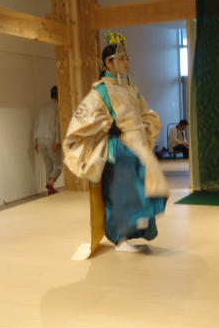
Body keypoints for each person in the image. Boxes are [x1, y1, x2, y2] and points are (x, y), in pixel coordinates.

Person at [63, 32, 169, 253]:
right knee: (122, 196)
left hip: (139, 148)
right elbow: (84, 117)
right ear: (108, 63)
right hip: (119, 149)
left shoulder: (132, 89)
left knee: (149, 192)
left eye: (127, 58)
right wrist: (107, 125)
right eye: (121, 58)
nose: (127, 62)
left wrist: (147, 127)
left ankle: (133, 232)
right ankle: (120, 239)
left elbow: (145, 112)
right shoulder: (101, 90)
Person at [34, 86, 62, 195]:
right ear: (58, 96)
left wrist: (35, 142)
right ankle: (51, 182)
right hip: (51, 138)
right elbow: (58, 125)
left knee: (48, 165)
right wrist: (58, 141)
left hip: (40, 139)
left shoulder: (42, 108)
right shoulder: (57, 107)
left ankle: (50, 190)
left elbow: (36, 124)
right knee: (59, 164)